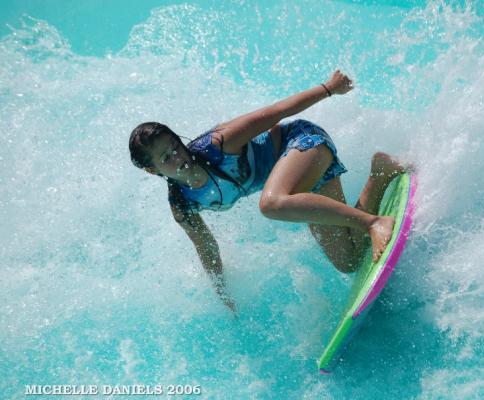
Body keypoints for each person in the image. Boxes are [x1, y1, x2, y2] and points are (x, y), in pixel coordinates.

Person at [129, 70, 408, 315]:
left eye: (176, 146)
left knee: (271, 204)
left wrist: (329, 88)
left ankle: (373, 222)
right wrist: (223, 294)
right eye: (166, 159)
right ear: (153, 171)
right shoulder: (182, 202)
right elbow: (206, 246)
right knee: (349, 260)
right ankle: (380, 173)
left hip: (304, 144)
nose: (178, 158)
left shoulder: (218, 144)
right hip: (297, 183)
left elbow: (277, 112)